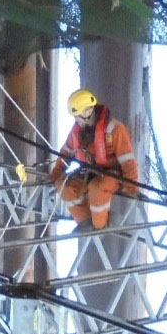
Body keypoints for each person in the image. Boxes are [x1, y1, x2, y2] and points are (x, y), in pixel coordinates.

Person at [50, 88, 140, 231]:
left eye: (77, 116)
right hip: (89, 172)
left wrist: (132, 189)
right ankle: (85, 222)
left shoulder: (114, 129)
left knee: (97, 188)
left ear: (87, 112)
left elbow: (128, 160)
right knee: (64, 184)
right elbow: (66, 154)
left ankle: (99, 226)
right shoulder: (78, 132)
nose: (76, 121)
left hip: (112, 174)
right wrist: (54, 177)